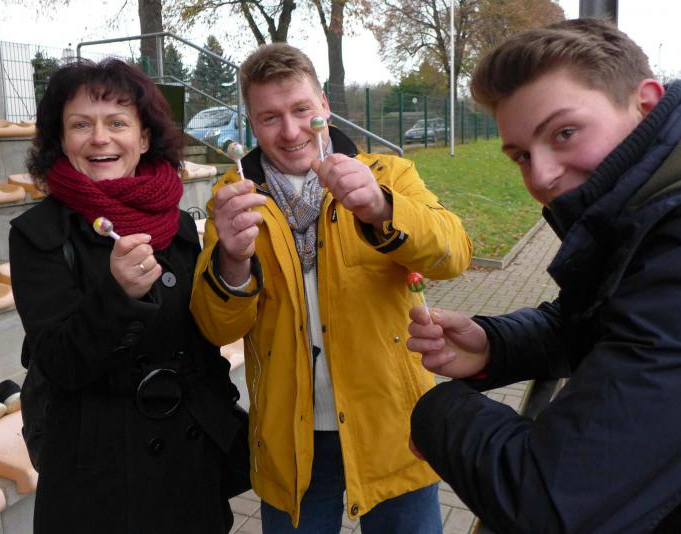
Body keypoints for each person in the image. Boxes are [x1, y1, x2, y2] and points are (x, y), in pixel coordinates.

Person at [407, 17, 681, 533]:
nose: (541, 175)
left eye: (565, 133)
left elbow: (547, 501)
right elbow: (618, 324)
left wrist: (436, 413)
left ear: (645, 102)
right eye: (521, 155)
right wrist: (495, 345)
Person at [189, 43, 472, 533]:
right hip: (290, 438)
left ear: (323, 104)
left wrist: (382, 209)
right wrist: (232, 260)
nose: (291, 131)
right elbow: (217, 328)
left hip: (392, 425)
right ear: (252, 124)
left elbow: (454, 255)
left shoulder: (388, 174)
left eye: (302, 110)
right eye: (270, 117)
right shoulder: (233, 199)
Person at [9, 58, 247, 533]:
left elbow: (204, 343)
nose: (100, 138)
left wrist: (234, 265)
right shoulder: (38, 234)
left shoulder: (178, 223)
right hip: (97, 475)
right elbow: (59, 363)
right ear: (61, 140)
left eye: (117, 123)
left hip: (190, 466)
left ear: (143, 138)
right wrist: (116, 297)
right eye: (81, 125)